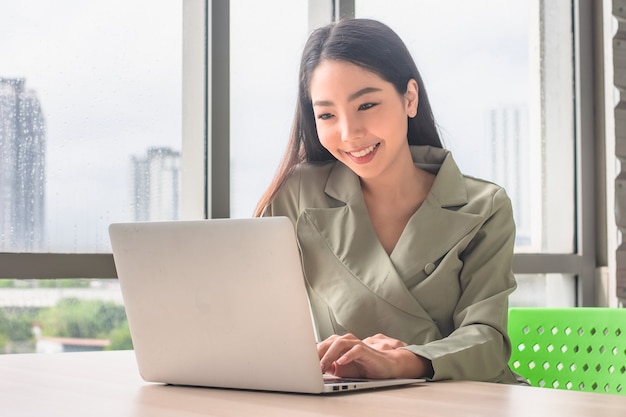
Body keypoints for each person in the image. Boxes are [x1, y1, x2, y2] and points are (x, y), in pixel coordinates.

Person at [254, 18, 523, 384]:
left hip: (466, 399)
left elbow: (487, 340)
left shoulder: (484, 206)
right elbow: (256, 320)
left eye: (366, 105)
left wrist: (402, 362)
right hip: (349, 403)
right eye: (327, 114)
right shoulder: (296, 195)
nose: (350, 134)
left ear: (408, 98)